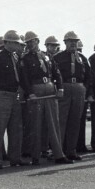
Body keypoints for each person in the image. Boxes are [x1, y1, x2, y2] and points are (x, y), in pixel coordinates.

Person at [19, 32, 71, 165]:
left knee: (54, 123)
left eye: (32, 41)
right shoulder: (25, 59)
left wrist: (60, 88)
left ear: (37, 40)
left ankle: (59, 154)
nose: (30, 44)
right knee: (36, 124)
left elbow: (56, 72)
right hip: (36, 89)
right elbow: (24, 78)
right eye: (28, 42)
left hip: (50, 87)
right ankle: (35, 156)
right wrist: (30, 93)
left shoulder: (47, 56)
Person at [0, 30, 25, 168]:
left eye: (17, 43)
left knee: (16, 129)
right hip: (2, 95)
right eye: (14, 43)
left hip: (15, 96)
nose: (16, 45)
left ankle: (15, 158)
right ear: (7, 42)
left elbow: (21, 77)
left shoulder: (16, 58)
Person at [55, 31, 89, 161]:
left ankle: (71, 150)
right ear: (65, 43)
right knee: (62, 120)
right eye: (70, 41)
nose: (73, 44)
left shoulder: (82, 58)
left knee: (75, 121)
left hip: (79, 88)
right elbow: (54, 74)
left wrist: (84, 88)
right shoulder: (58, 57)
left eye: (75, 41)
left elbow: (88, 75)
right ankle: (59, 151)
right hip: (65, 87)